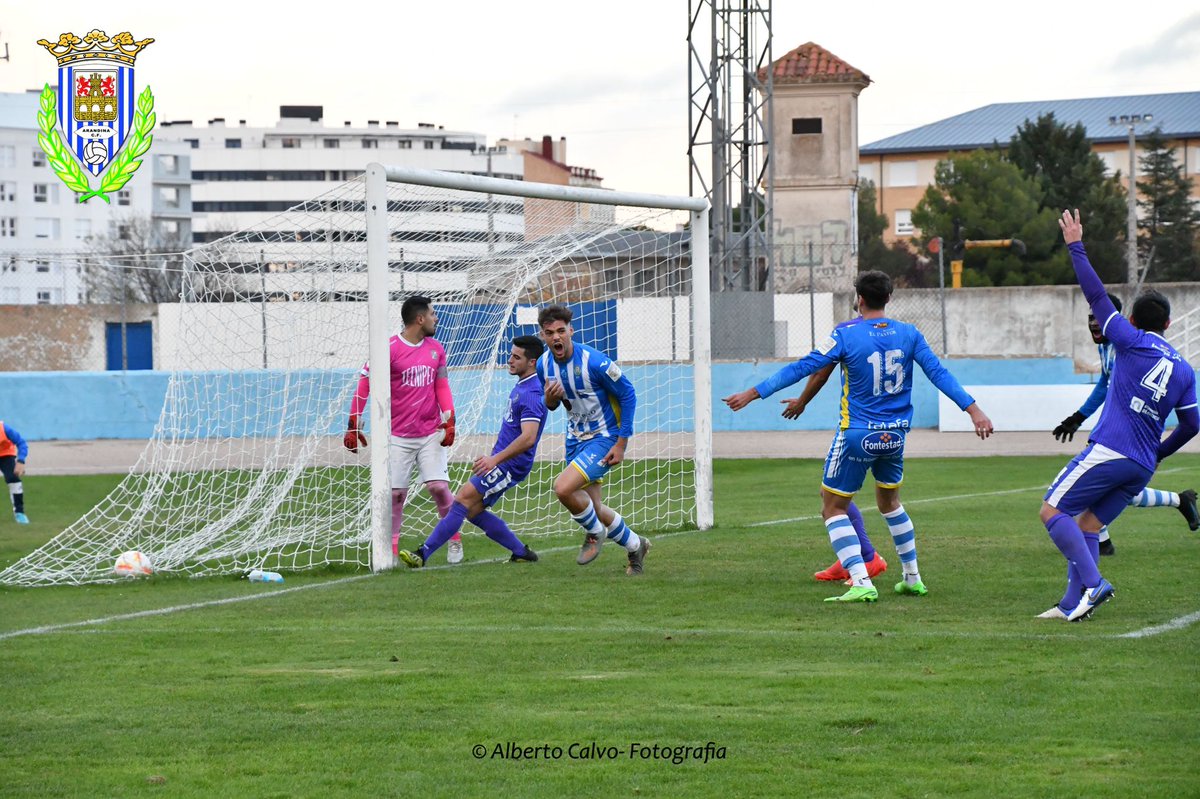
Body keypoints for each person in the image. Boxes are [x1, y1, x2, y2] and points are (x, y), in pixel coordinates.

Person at [723, 270, 993, 603]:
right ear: (889, 298)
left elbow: (804, 367)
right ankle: (912, 578)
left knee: (832, 506)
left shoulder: (845, 334)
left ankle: (862, 579)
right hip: (894, 436)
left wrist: (754, 392)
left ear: (859, 299)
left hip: (857, 435)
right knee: (889, 503)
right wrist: (973, 410)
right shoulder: (910, 334)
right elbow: (939, 373)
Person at [1039, 210, 1197, 622]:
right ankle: (1072, 604)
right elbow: (1194, 424)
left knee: (1052, 512)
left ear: (1129, 321)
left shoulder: (1128, 340)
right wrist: (1160, 453)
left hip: (1112, 449)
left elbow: (1095, 295)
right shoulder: (1184, 368)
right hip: (1142, 465)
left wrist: (1076, 244)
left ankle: (1094, 585)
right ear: (1167, 324)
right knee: (1089, 525)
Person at [1052, 293, 1199, 554]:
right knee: (1115, 487)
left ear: (1122, 321)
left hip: (1125, 436)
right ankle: (1177, 501)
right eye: (1090, 319)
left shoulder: (1130, 346)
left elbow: (1189, 421)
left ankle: (1098, 550)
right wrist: (1078, 418)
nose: (1095, 324)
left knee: (1081, 494)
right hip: (1114, 435)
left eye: (1099, 318)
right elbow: (1103, 386)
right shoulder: (1108, 348)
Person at [399, 336, 547, 567]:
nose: (510, 360)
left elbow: (528, 438)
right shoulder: (524, 386)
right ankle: (521, 552)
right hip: (503, 462)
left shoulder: (531, 393)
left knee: (462, 500)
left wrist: (494, 460)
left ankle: (422, 554)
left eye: (517, 357)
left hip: (509, 465)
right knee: (472, 510)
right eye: (511, 355)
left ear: (532, 362)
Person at [343, 296, 462, 563]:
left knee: (439, 488)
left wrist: (449, 419)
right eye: (432, 314)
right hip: (397, 435)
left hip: (430, 431)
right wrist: (353, 421)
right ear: (420, 319)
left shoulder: (436, 349)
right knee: (396, 495)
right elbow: (365, 383)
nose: (436, 318)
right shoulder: (388, 349)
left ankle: (454, 540)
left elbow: (441, 385)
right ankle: (392, 551)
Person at [536, 305, 650, 575]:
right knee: (594, 507)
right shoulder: (543, 365)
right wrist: (549, 400)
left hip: (604, 437)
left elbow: (628, 394)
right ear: (543, 335)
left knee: (563, 488)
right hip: (575, 440)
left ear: (571, 331)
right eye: (550, 333)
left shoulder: (595, 362)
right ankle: (636, 546)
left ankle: (593, 533)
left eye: (561, 331)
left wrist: (621, 443)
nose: (556, 337)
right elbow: (555, 404)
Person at [780, 363, 888, 584]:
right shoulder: (876, 334)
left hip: (859, 426)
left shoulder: (849, 333)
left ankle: (867, 560)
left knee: (834, 500)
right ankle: (855, 558)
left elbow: (820, 371)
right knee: (829, 494)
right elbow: (819, 368)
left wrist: (800, 401)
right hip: (874, 423)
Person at [0, 420, 29, 524]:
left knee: (13, 479)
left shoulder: (4, 428)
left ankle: (19, 512)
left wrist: (20, 461)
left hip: (5, 455)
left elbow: (21, 443)